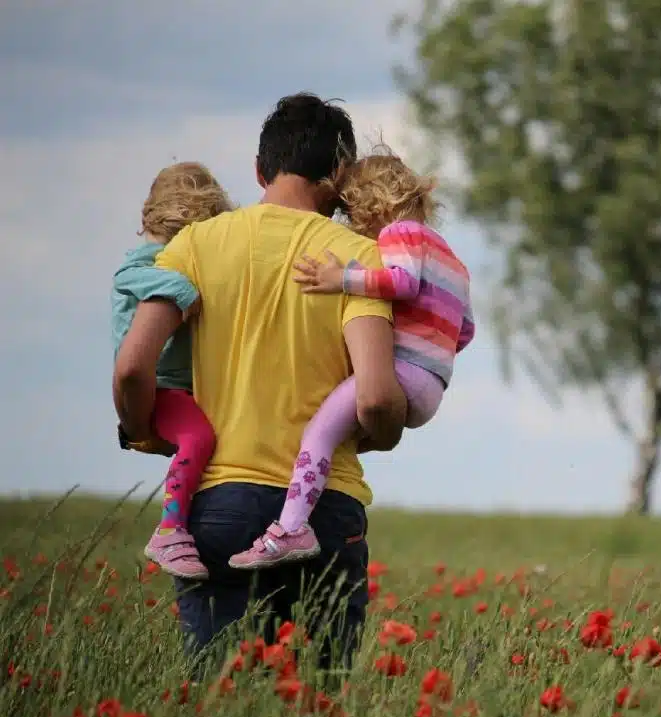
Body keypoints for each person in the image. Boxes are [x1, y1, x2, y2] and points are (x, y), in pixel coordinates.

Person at [112, 92, 407, 672]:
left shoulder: (193, 245)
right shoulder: (358, 259)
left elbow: (130, 366)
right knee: (319, 698)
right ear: (339, 175)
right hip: (325, 510)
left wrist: (141, 428)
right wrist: (386, 431)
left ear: (259, 169)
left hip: (219, 505)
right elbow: (374, 397)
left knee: (221, 695)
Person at [229, 150, 475, 570]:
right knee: (339, 433)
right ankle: (310, 504)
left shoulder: (400, 234)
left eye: (350, 212)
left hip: (403, 372)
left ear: (372, 203)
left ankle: (290, 529)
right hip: (432, 384)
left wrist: (339, 279)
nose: (352, 225)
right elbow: (465, 330)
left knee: (318, 433)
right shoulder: (452, 259)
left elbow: (401, 282)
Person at [111, 162, 231, 580]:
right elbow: (131, 278)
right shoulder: (148, 262)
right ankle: (170, 528)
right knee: (199, 437)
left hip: (180, 387)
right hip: (161, 387)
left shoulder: (164, 256)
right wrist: (184, 290)